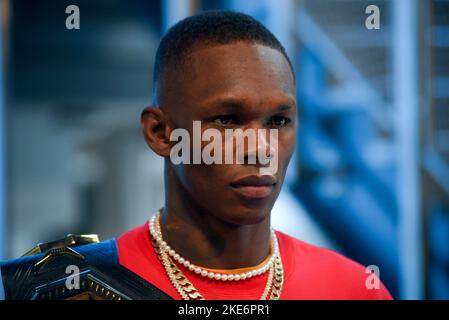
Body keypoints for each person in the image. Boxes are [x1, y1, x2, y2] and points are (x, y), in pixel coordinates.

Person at [0, 11, 392, 300]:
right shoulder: (57, 287)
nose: (261, 149)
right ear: (160, 132)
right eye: (228, 119)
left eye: (278, 120)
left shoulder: (354, 288)